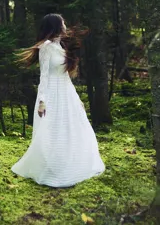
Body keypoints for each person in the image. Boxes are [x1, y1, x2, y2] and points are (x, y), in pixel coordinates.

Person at [11, 14, 105, 187]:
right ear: (55, 26)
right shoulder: (46, 47)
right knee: (52, 129)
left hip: (65, 92)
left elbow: (66, 77)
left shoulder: (59, 46)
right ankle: (53, 167)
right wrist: (42, 101)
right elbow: (44, 75)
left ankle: (69, 163)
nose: (65, 25)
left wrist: (77, 98)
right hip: (52, 93)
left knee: (73, 126)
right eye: (62, 23)